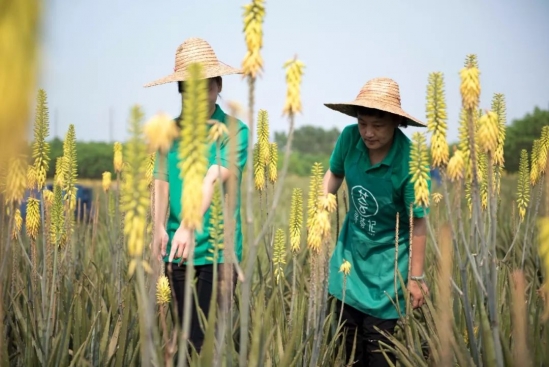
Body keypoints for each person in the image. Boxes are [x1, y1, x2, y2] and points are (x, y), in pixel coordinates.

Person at [145, 37, 249, 353]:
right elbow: (160, 181)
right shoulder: (169, 132)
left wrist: (189, 226)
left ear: (218, 86)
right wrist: (159, 226)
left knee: (206, 340)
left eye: (206, 86)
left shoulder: (234, 130)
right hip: (177, 249)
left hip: (218, 250)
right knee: (182, 335)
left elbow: (213, 178)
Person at [323, 78, 431, 366]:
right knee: (344, 347)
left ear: (396, 122)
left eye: (378, 126)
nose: (368, 133)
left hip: (389, 267)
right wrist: (321, 208)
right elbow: (334, 174)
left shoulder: (409, 161)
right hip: (349, 257)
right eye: (363, 123)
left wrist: (416, 278)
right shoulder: (349, 138)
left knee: (378, 350)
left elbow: (418, 223)